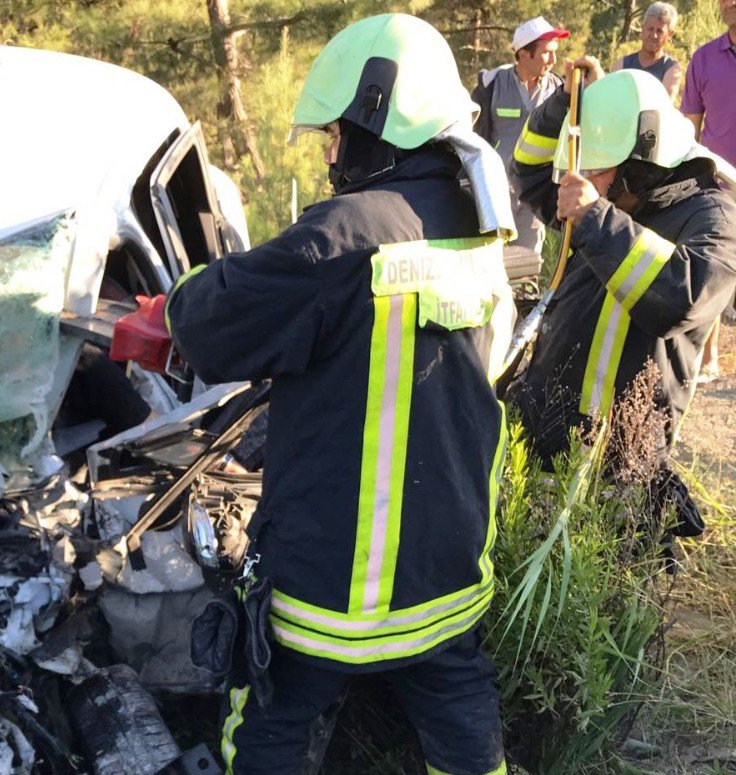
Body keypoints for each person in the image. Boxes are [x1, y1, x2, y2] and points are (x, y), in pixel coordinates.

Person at [167, 14, 516, 775]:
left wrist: (181, 292)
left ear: (376, 120)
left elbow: (210, 323)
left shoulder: (346, 233)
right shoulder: (480, 229)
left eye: (336, 134)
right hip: (446, 586)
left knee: (263, 731)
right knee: (469, 748)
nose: (331, 152)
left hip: (327, 602)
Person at [509, 61, 736, 466]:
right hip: (545, 436)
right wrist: (568, 102)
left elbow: (684, 296)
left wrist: (596, 220)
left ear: (640, 164)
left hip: (617, 466)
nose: (582, 182)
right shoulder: (615, 199)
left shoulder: (713, 217)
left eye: (595, 170)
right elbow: (528, 169)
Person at [473, 16, 568, 273]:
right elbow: (474, 137)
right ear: (523, 53)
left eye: (554, 53)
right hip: (494, 193)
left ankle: (524, 310)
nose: (553, 60)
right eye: (547, 53)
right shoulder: (490, 85)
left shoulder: (560, 89)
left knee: (527, 263)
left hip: (536, 193)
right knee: (489, 262)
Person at [681, 0, 736, 382]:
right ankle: (709, 358)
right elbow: (690, 129)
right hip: (720, 185)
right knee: (715, 270)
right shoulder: (703, 59)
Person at [611, 2, 682, 101]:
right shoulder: (622, 65)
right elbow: (612, 99)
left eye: (660, 31)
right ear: (642, 28)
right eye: (650, 29)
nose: (654, 35)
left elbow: (665, 106)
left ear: (670, 35)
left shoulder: (671, 69)